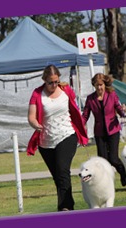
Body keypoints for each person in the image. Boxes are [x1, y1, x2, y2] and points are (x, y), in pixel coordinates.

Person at [27, 64, 88, 211]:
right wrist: (35, 124)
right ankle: (67, 206)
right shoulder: (37, 93)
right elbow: (31, 116)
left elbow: (74, 108)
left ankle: (65, 208)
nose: (53, 85)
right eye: (50, 82)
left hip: (66, 135)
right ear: (44, 80)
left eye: (56, 81)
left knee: (62, 170)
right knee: (58, 177)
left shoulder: (66, 90)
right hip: (46, 142)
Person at [82, 73, 126, 186]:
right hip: (99, 133)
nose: (99, 88)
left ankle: (123, 173)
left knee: (113, 158)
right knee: (102, 160)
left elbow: (118, 107)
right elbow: (85, 115)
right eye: (97, 85)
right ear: (94, 85)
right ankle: (106, 183)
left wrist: (122, 111)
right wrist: (80, 125)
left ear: (104, 84)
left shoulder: (111, 94)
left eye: (101, 85)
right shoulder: (90, 99)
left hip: (113, 130)